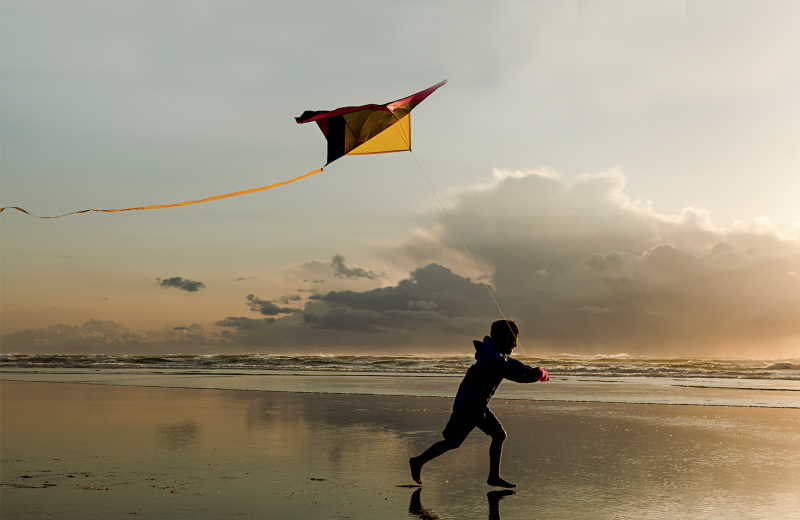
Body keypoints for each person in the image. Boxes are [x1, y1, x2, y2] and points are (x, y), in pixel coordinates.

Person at [409, 320, 549, 488]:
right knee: (455, 441)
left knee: (495, 435)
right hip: (468, 404)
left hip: (477, 405)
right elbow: (507, 364)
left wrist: (534, 377)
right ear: (502, 338)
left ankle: (493, 477)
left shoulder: (497, 357)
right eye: (513, 341)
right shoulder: (491, 354)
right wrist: (530, 370)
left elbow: (514, 374)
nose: (515, 345)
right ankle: (417, 461)